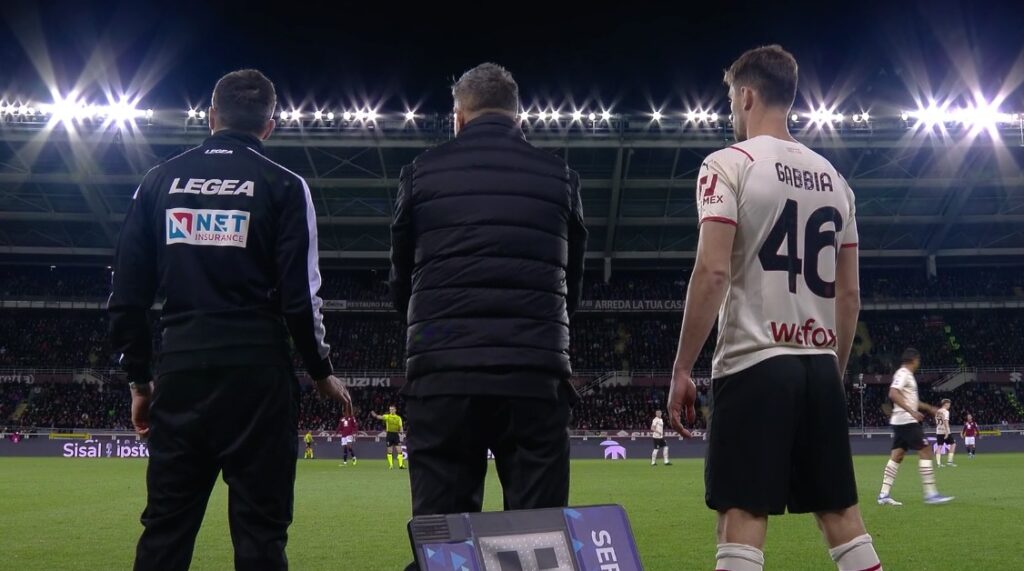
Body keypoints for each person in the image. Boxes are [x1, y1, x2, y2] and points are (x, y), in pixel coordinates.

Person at [108, 69, 352, 571]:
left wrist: (139, 381)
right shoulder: (286, 185)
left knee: (165, 530)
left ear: (210, 116)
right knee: (261, 535)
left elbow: (127, 296)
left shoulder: (157, 182)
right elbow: (300, 297)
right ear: (270, 125)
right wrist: (320, 371)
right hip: (258, 378)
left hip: (182, 371)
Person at [667, 45, 881, 571]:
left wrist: (681, 368)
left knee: (741, 518)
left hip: (754, 361)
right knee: (841, 517)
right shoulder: (836, 181)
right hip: (820, 366)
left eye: (729, 102)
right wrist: (832, 371)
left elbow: (713, 271)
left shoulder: (728, 163)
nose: (731, 113)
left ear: (746, 96)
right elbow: (849, 296)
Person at [389, 62, 587, 562]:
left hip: (443, 378)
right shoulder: (560, 177)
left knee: (443, 541)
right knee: (539, 539)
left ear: (458, 117)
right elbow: (573, 285)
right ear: (521, 119)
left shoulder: (420, 173)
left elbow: (400, 283)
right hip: (533, 377)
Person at [877, 349, 954, 506]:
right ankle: (931, 494)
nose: (919, 363)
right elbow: (893, 393)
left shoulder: (907, 375)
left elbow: (912, 401)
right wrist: (912, 411)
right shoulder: (903, 373)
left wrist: (929, 408)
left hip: (900, 421)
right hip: (907, 421)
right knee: (925, 450)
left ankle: (883, 495)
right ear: (914, 359)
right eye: (918, 360)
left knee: (897, 456)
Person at [934, 399, 957, 467]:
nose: (949, 406)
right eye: (949, 404)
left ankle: (938, 463)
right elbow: (946, 422)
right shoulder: (946, 412)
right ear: (946, 404)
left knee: (939, 446)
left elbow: (936, 422)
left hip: (938, 431)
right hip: (945, 431)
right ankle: (949, 462)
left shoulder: (937, 411)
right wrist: (947, 432)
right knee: (953, 444)